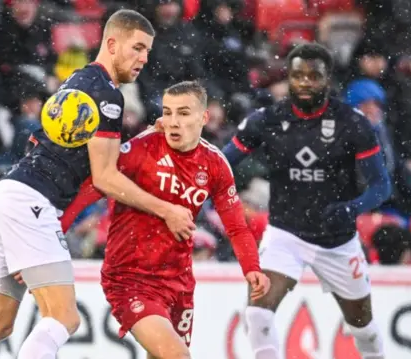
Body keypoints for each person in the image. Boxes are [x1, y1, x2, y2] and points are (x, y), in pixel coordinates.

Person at [0, 9, 196, 359]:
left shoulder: (79, 80)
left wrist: (147, 136)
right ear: (112, 43)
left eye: (147, 51)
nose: (143, 59)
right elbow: (104, 177)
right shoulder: (107, 94)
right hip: (31, 203)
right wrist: (167, 210)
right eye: (137, 48)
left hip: (6, 196)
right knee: (64, 317)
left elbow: (78, 159)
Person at [59, 81, 270, 359]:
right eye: (167, 112)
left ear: (203, 118)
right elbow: (92, 187)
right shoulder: (140, 148)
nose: (172, 122)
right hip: (130, 277)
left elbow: (236, 225)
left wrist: (252, 267)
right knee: (177, 356)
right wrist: (52, 234)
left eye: (183, 113)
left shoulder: (215, 164)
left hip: (178, 282)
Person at [222, 43, 391, 359]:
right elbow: (221, 164)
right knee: (258, 313)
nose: (305, 83)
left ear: (328, 79)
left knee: (363, 328)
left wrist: (351, 208)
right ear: (288, 77)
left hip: (337, 242)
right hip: (285, 234)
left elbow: (382, 186)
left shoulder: (352, 123)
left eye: (314, 76)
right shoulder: (266, 120)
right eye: (298, 75)